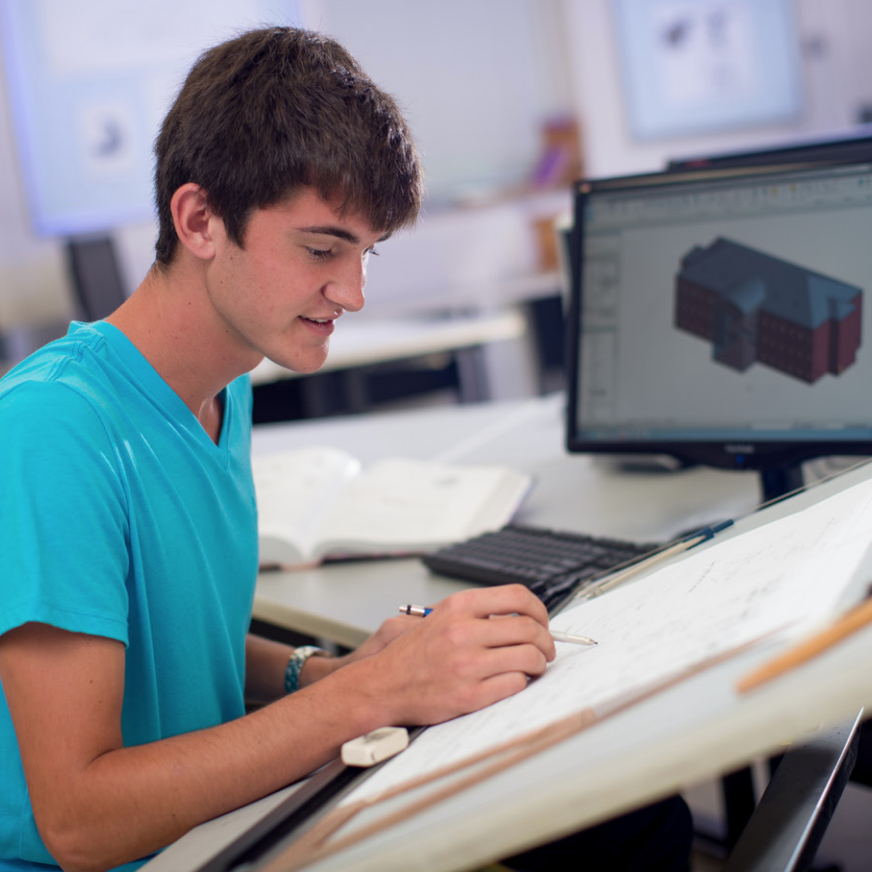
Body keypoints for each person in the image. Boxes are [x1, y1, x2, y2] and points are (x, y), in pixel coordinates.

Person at [0, 26, 691, 872]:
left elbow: (172, 647)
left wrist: (330, 675)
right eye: (324, 249)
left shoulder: (224, 387)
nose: (353, 292)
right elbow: (80, 822)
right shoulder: (52, 431)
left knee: (629, 810)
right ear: (199, 218)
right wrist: (372, 694)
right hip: (144, 853)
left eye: (365, 253)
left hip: (211, 825)